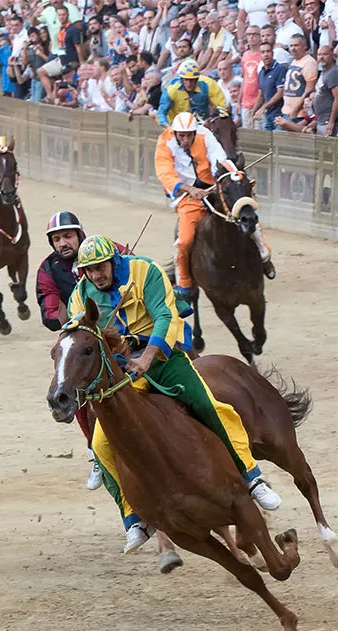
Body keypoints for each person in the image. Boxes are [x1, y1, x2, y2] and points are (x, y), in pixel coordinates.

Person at [67, 236, 281, 553]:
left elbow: (166, 317)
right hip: (126, 373)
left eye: (100, 267)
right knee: (100, 444)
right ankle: (133, 518)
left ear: (114, 261)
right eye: (90, 270)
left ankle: (252, 477)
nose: (97, 275)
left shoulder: (146, 271)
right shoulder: (80, 296)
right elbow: (80, 334)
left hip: (166, 360)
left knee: (207, 404)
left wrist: (148, 357)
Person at [37, 211, 117, 491]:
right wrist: (78, 326)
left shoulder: (104, 250)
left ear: (80, 235)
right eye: (57, 239)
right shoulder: (47, 270)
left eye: (67, 236)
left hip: (123, 326)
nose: (63, 243)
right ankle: (96, 451)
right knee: (76, 388)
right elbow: (49, 312)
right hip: (81, 336)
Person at [155, 112, 274, 299]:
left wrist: (230, 176)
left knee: (244, 211)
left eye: (189, 135)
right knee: (184, 240)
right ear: (176, 133)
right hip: (187, 197)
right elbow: (165, 172)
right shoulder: (165, 142)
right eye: (182, 135)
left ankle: (263, 254)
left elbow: (218, 157)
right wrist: (189, 189)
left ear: (195, 132)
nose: (186, 139)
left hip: (213, 188)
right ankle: (184, 283)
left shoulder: (205, 135)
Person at [156, 58, 230, 126]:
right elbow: (161, 112)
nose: (189, 84)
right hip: (177, 125)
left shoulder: (208, 84)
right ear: (181, 79)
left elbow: (222, 107)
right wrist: (168, 127)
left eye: (192, 80)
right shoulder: (171, 90)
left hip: (202, 123)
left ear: (197, 79)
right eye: (186, 80)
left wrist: (214, 119)